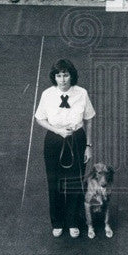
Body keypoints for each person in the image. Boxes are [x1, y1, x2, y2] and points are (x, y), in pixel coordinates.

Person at [34, 59, 95, 239]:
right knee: (54, 183)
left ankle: (73, 222)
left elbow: (89, 119)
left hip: (77, 139)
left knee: (75, 183)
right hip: (54, 140)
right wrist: (57, 130)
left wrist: (88, 146)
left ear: (72, 75)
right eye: (59, 76)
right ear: (54, 77)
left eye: (66, 75)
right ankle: (58, 221)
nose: (62, 80)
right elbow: (40, 118)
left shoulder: (81, 94)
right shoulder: (47, 95)